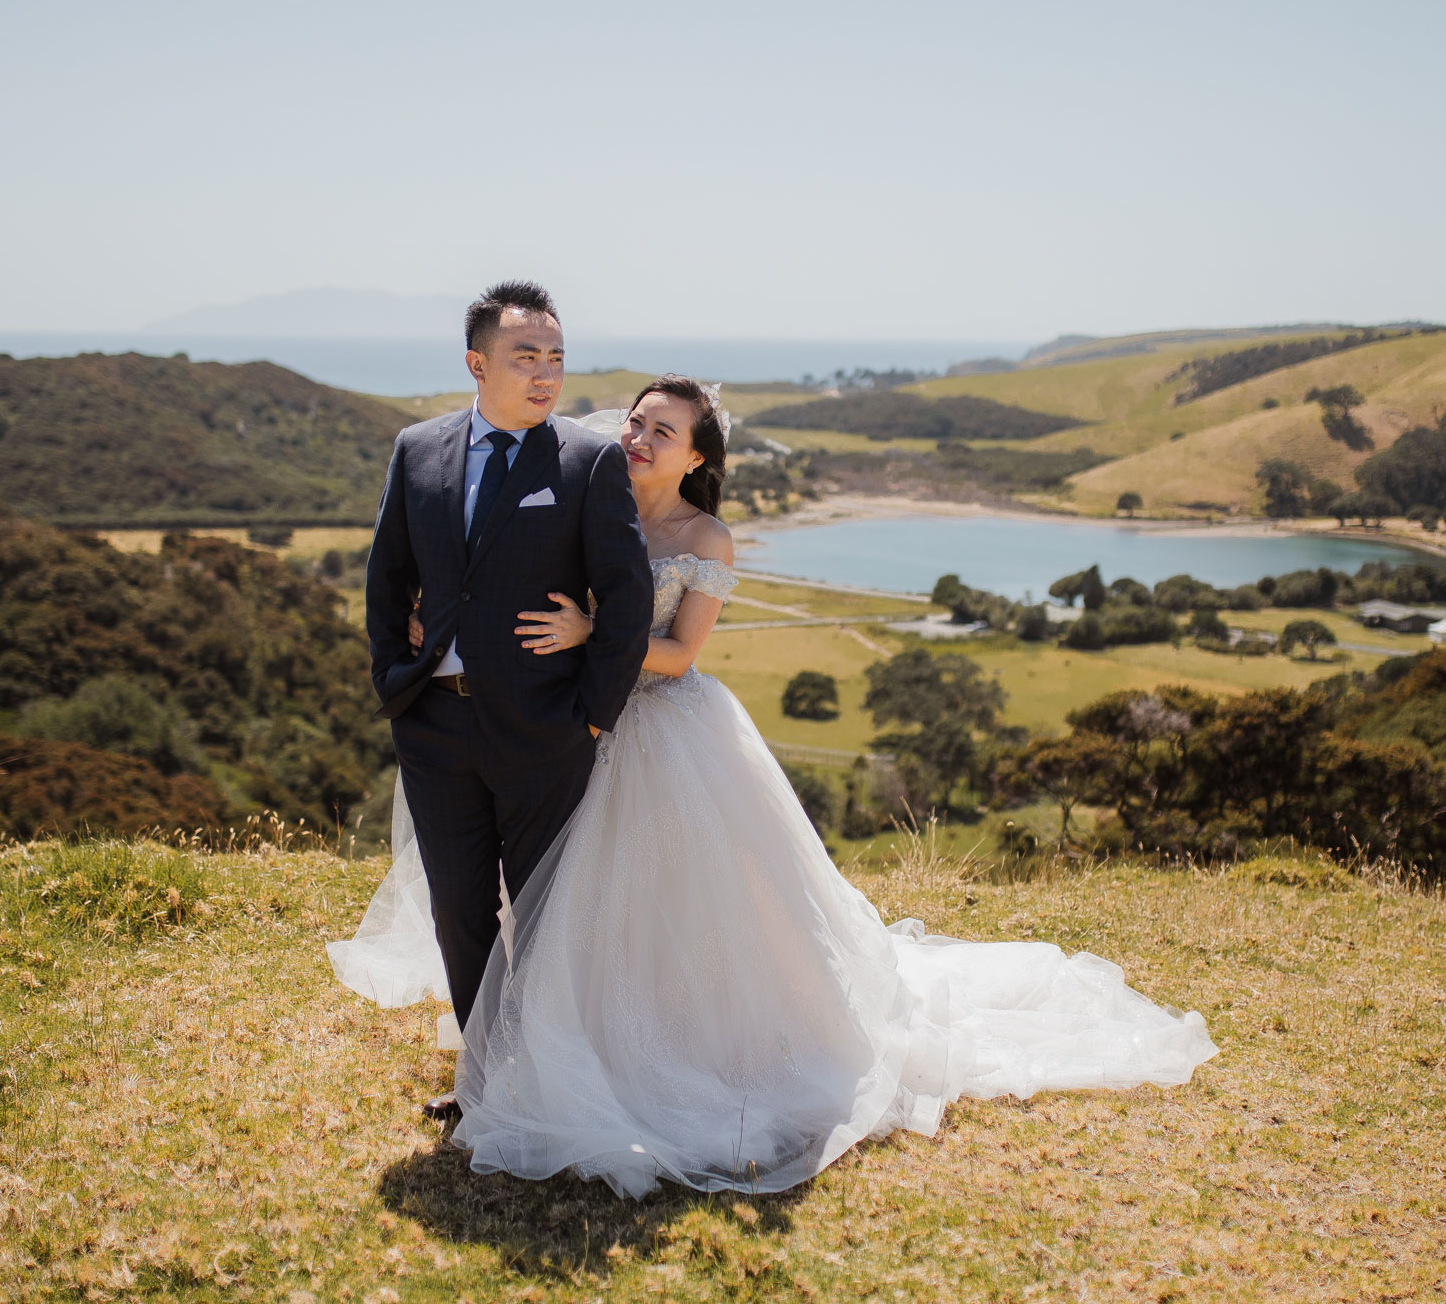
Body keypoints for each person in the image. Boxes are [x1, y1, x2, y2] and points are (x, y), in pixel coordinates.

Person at [333, 376, 1216, 1198]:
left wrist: (593, 633)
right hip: (562, 725)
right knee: (560, 906)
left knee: (662, 909)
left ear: (698, 458)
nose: (639, 437)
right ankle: (527, 1059)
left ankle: (649, 1058)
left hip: (661, 730)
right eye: (636, 422)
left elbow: (679, 654)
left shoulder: (704, 538)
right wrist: (435, 614)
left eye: (663, 431)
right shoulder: (577, 492)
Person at [351, 280, 652, 1122]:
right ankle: (484, 1076)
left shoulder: (586, 461)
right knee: (458, 911)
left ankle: (550, 1078)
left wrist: (592, 716)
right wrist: (392, 678)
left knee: (549, 913)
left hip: (546, 729)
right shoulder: (418, 450)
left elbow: (625, 600)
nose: (546, 372)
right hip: (435, 724)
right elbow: (388, 575)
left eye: (556, 356)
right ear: (479, 363)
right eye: (527, 356)